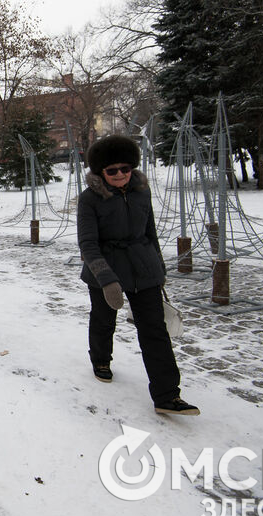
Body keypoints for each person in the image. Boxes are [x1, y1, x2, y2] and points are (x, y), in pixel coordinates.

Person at [77, 135, 199, 416]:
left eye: (125, 168)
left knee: (154, 330)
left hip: (143, 269)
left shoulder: (141, 191)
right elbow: (88, 243)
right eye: (112, 170)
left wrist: (159, 267)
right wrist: (107, 279)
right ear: (100, 173)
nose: (120, 174)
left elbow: (149, 232)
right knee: (104, 318)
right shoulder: (89, 199)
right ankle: (101, 360)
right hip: (105, 269)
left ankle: (167, 395)